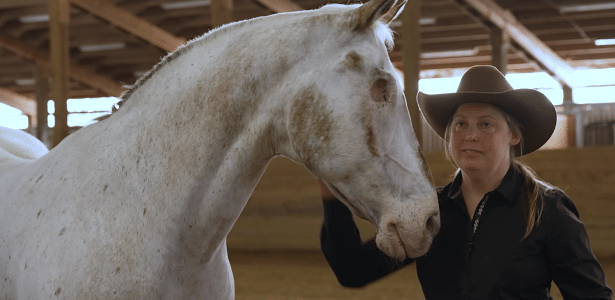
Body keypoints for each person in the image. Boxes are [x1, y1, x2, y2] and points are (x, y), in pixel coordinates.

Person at [318, 65, 612, 300]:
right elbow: (354, 272)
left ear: (513, 136)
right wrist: (332, 193)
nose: (470, 135)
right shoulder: (427, 211)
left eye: (485, 124)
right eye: (460, 124)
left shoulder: (548, 210)